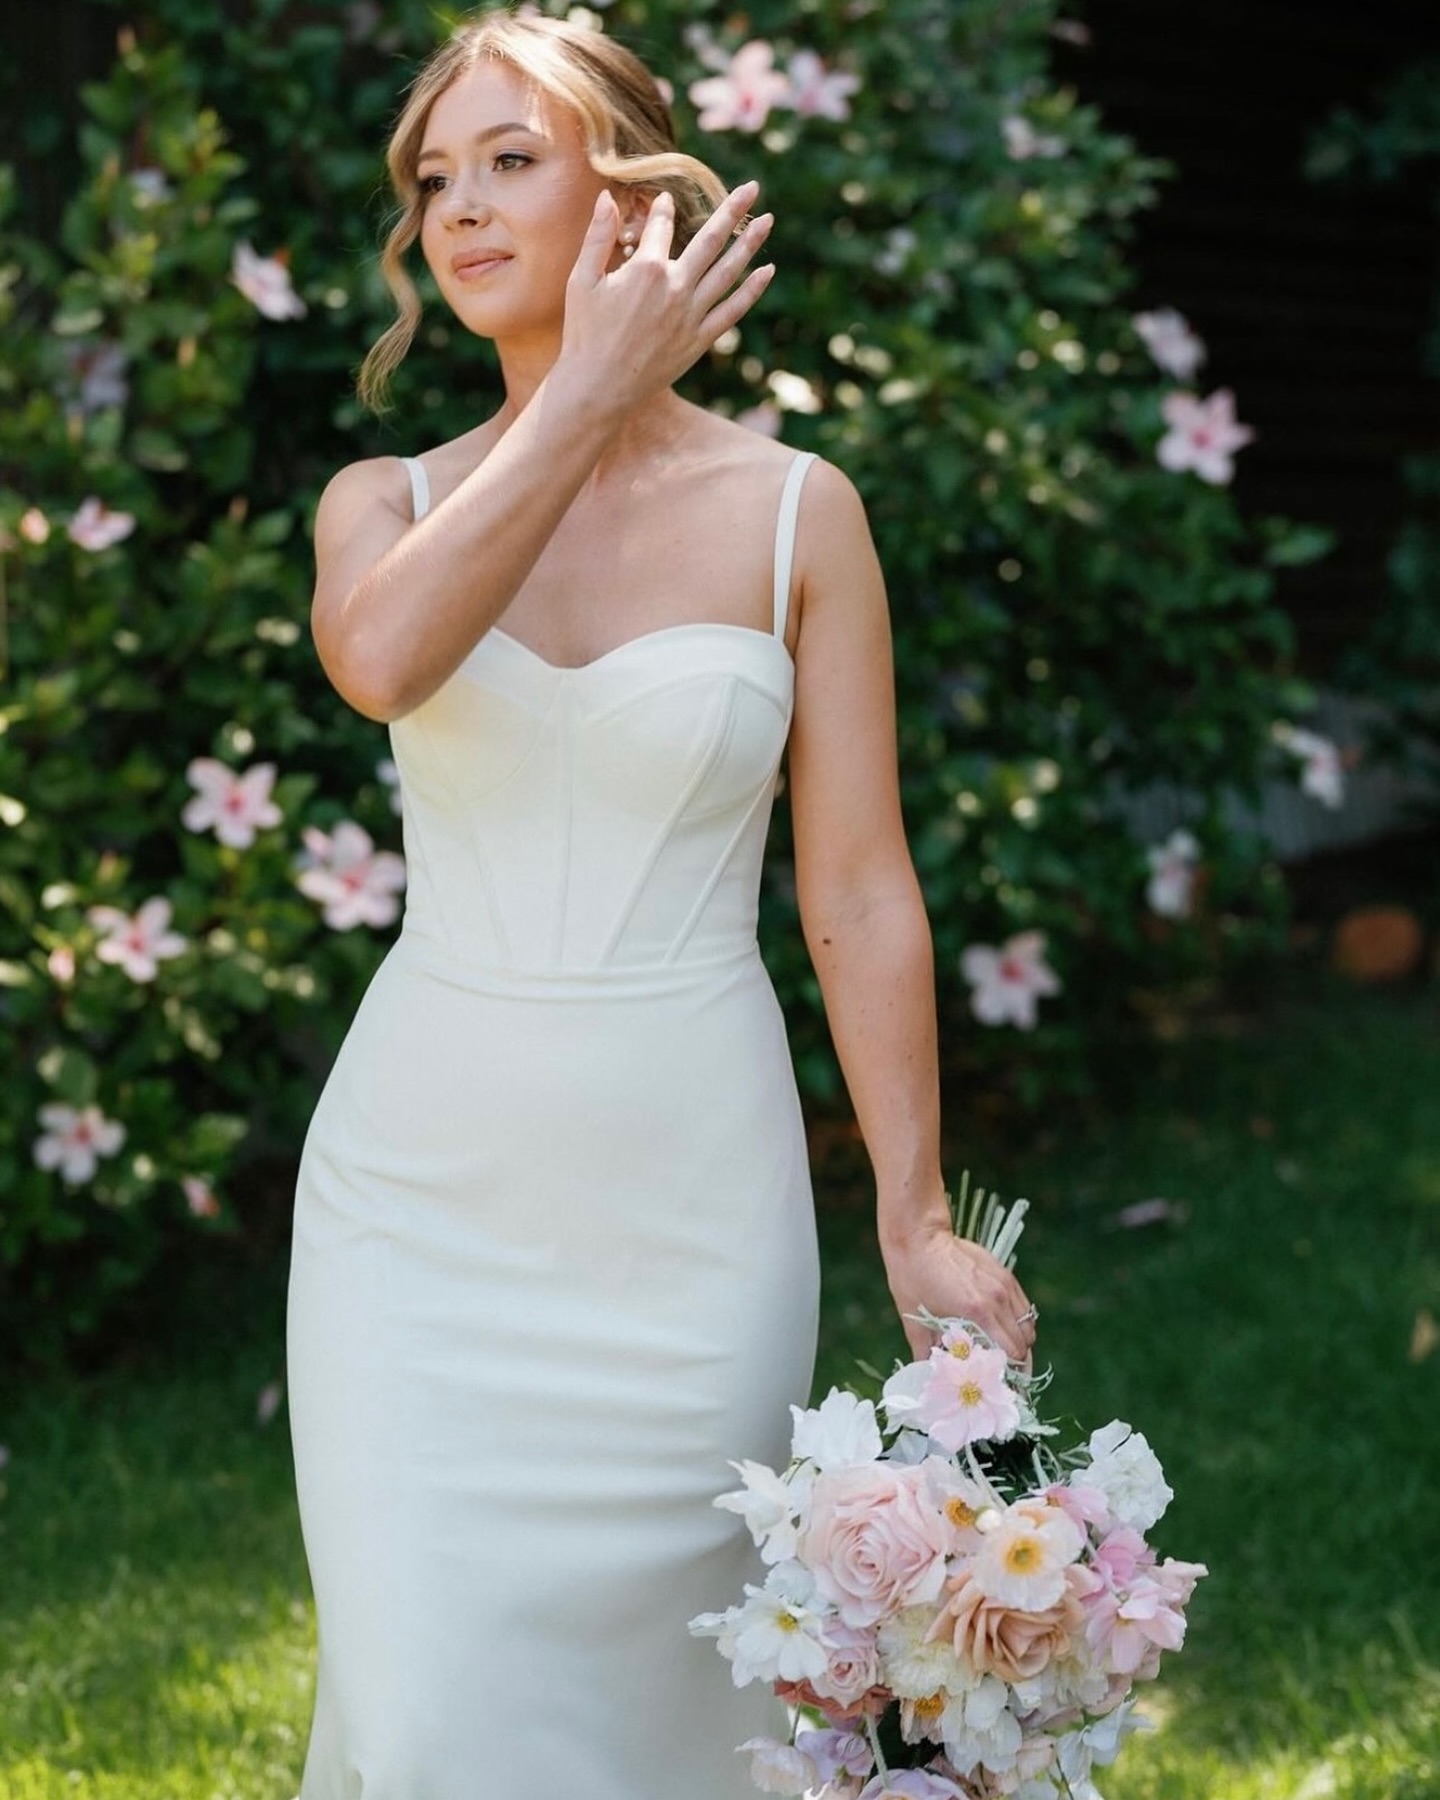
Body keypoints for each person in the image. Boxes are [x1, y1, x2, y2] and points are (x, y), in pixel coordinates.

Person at [286, 10, 1036, 1797]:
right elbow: (382, 661)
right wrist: (580, 400)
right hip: (413, 1214)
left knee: (681, 1727)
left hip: (694, 1213)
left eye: (510, 160)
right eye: (434, 181)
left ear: (629, 195)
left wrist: (914, 1213)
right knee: (431, 1722)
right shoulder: (382, 502)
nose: (460, 209)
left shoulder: (797, 515)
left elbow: (856, 884)